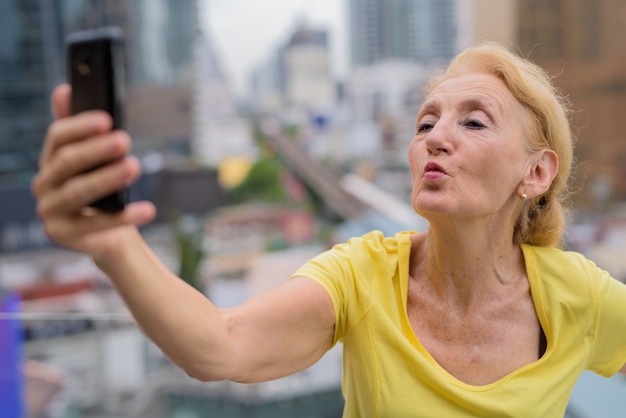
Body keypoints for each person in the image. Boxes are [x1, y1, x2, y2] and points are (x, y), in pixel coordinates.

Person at [32, 42, 626, 417]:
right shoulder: (362, 275)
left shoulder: (577, 295)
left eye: (473, 121)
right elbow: (219, 346)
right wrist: (114, 244)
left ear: (536, 171)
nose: (435, 139)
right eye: (425, 123)